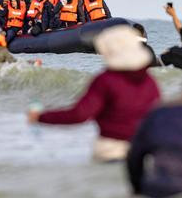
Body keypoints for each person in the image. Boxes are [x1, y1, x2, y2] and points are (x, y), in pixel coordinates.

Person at [28, 26, 160, 161]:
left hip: (111, 149)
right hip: (143, 149)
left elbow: (80, 114)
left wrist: (40, 117)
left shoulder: (106, 80)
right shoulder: (150, 81)